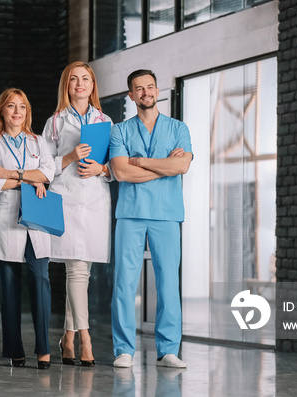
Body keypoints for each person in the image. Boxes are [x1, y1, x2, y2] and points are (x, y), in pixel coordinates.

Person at [108, 69, 192, 369]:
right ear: (131, 95)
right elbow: (120, 172)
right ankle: (124, 350)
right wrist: (164, 165)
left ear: (158, 91)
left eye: (150, 87)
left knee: (168, 282)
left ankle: (168, 349)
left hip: (166, 214)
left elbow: (181, 167)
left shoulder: (178, 128)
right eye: (139, 89)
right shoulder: (119, 131)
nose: (146, 93)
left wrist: (141, 161)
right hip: (130, 214)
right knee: (124, 283)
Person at [42, 61, 113, 367]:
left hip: (95, 199)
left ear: (93, 85)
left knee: (82, 275)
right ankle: (86, 339)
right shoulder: (55, 123)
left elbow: (114, 163)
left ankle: (67, 338)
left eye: (85, 79)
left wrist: (102, 168)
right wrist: (70, 156)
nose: (80, 84)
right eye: (74, 79)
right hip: (67, 199)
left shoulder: (105, 121)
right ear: (67, 85)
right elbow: (43, 167)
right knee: (76, 271)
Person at [0, 88, 56, 369]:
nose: (17, 112)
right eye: (11, 107)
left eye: (22, 107)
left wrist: (12, 174)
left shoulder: (38, 141)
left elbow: (48, 173)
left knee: (40, 283)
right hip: (7, 221)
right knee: (9, 289)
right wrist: (30, 179)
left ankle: (44, 349)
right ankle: (14, 349)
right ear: (1, 111)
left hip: (36, 221)